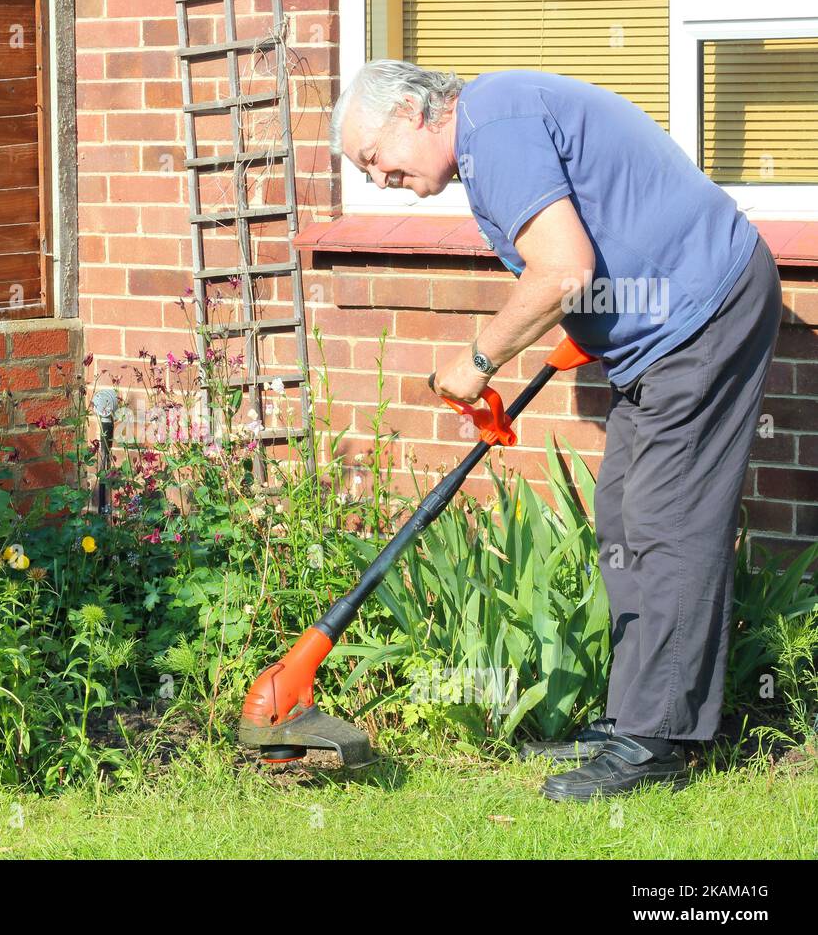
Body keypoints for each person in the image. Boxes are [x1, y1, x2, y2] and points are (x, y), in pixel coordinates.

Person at [329, 62, 783, 800]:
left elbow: (563, 267)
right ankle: (641, 716)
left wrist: (479, 358)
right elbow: (589, 242)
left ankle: (655, 743)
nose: (375, 178)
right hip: (659, 332)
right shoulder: (491, 127)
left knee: (666, 523)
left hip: (704, 310)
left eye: (373, 157)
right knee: (625, 516)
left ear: (412, 111)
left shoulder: (494, 126)